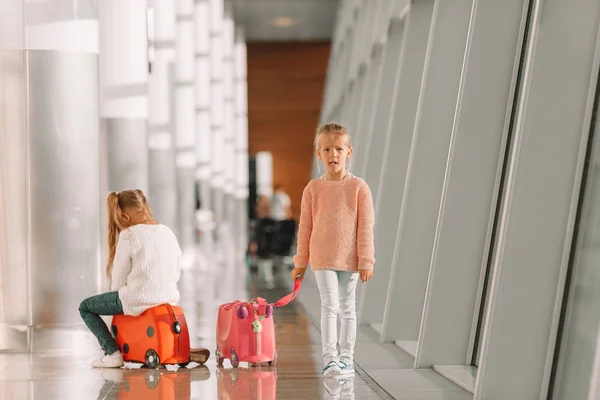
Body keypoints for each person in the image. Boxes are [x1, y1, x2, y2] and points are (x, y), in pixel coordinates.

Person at [290, 123, 375, 377]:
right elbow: (305, 228)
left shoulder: (359, 188)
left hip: (350, 259)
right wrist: (300, 262)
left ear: (349, 152)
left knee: (348, 307)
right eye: (326, 149)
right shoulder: (313, 189)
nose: (333, 154)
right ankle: (331, 359)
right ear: (319, 154)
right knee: (329, 305)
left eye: (338, 148)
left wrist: (366, 260)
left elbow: (365, 227)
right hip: (322, 257)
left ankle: (347, 358)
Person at [79, 189, 182, 368]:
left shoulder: (129, 235)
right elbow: (176, 271)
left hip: (137, 299)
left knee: (86, 307)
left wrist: (120, 297)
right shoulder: (167, 232)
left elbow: (119, 280)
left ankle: (112, 353)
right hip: (169, 299)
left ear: (125, 217)